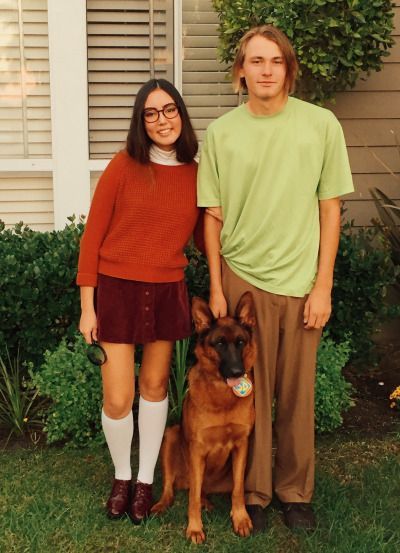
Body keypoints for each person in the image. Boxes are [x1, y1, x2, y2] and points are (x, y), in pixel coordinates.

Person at [197, 25, 354, 533]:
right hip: (242, 276)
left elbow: (330, 210)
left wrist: (323, 285)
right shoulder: (222, 131)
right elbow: (213, 216)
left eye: (276, 61)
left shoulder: (321, 124)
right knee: (248, 390)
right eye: (255, 61)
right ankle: (257, 494)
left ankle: (295, 492)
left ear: (289, 68)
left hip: (301, 278)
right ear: (240, 71)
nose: (266, 70)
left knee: (296, 392)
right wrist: (218, 285)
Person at [77, 78, 202, 524]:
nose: (161, 120)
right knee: (118, 397)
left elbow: (206, 241)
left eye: (169, 110)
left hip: (168, 289)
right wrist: (87, 306)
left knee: (154, 389)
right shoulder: (123, 166)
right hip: (117, 290)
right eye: (150, 114)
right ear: (140, 121)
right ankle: (122, 476)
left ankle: (145, 481)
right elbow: (91, 239)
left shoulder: (196, 173)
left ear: (181, 115)